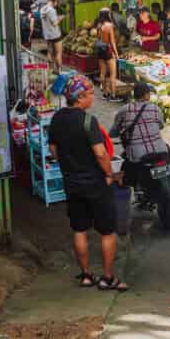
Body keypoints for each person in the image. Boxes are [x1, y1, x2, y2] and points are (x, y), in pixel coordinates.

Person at [48, 74, 129, 292]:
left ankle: (85, 275)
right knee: (107, 231)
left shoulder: (56, 119)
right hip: (95, 184)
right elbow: (101, 154)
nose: (93, 97)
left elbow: (54, 152)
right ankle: (108, 278)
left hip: (72, 184)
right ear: (80, 97)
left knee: (80, 229)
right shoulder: (87, 121)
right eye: (91, 93)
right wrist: (110, 174)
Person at [110, 82, 167, 164]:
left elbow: (114, 131)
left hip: (137, 155)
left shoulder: (125, 109)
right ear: (146, 95)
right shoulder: (156, 109)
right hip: (161, 151)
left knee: (124, 167)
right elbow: (161, 126)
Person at [95, 8, 120, 101]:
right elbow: (112, 42)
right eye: (109, 13)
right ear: (107, 15)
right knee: (113, 74)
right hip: (108, 50)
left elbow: (98, 38)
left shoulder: (98, 25)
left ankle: (105, 94)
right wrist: (116, 54)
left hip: (100, 50)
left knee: (102, 73)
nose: (110, 14)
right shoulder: (110, 25)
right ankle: (113, 96)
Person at [42, 0, 64, 73]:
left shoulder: (43, 9)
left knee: (50, 52)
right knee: (58, 53)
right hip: (55, 35)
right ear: (53, 1)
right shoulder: (52, 10)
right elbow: (55, 23)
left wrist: (56, 18)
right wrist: (61, 18)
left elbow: (49, 21)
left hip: (47, 35)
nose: (57, 4)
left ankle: (51, 70)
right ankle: (59, 71)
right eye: (57, 2)